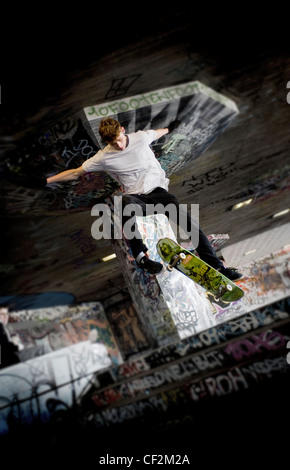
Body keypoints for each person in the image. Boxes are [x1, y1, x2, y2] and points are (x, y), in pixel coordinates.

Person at [46, 117, 243, 280]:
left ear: (122, 130)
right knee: (124, 202)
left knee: (188, 222)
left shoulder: (140, 137)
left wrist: (170, 128)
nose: (119, 145)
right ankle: (141, 257)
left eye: (120, 139)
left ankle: (218, 267)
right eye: (113, 143)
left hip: (159, 194)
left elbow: (159, 132)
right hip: (138, 200)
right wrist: (47, 180)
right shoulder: (103, 157)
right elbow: (74, 173)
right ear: (107, 142)